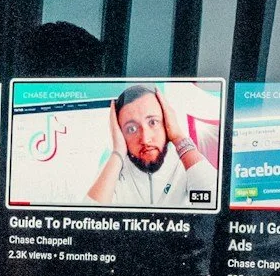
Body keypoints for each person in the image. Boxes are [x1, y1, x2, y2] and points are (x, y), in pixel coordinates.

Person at [86, 83, 219, 210]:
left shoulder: (184, 165)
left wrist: (178, 137)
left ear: (166, 122)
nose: (145, 139)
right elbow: (87, 223)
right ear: (120, 133)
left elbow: (217, 208)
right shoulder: (115, 171)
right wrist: (118, 152)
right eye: (131, 129)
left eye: (153, 122)